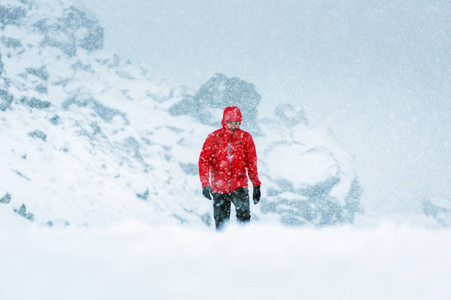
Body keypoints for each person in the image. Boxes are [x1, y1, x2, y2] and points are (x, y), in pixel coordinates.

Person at [198, 106, 261, 230]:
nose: (233, 125)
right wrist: (205, 184)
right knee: (221, 223)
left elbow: (251, 163)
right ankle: (223, 247)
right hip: (219, 188)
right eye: (230, 122)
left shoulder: (246, 138)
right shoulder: (214, 137)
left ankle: (243, 246)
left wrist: (256, 185)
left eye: (236, 123)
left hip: (240, 186)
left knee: (244, 219)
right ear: (224, 122)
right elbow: (203, 161)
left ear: (240, 122)